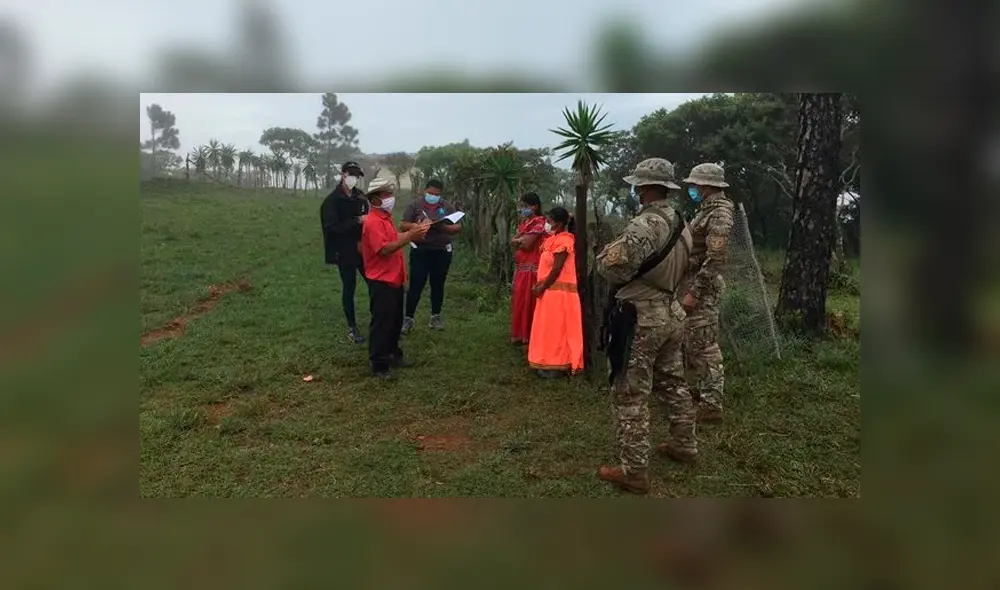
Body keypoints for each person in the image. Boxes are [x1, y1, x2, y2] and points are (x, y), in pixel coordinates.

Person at [595, 157, 696, 495]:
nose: (636, 190)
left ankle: (634, 470)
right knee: (672, 382)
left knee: (631, 391)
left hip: (641, 317)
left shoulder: (645, 224)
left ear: (646, 187)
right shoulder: (682, 224)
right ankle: (684, 443)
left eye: (638, 185)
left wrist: (604, 255)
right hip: (671, 312)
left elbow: (613, 268)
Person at [679, 163, 734, 423]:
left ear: (708, 185)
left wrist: (695, 292)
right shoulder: (706, 210)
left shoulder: (720, 213)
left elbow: (715, 259)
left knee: (705, 344)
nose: (694, 189)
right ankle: (704, 392)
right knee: (695, 341)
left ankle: (712, 404)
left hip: (703, 287)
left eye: (697, 185)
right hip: (694, 281)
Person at [361, 178, 430, 380]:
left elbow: (394, 239)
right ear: (375, 200)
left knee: (394, 320)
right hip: (381, 280)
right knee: (382, 322)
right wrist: (410, 237)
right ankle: (379, 364)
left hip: (394, 278)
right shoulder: (373, 222)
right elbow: (384, 249)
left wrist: (412, 232)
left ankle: (392, 354)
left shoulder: (385, 218)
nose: (391, 198)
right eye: (386, 195)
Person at [527, 207, 584, 378]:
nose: (546, 224)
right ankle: (545, 362)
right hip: (549, 293)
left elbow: (557, 268)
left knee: (557, 331)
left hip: (559, 294)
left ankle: (558, 365)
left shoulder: (565, 240)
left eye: (549, 221)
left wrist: (542, 286)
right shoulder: (553, 239)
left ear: (558, 223)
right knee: (547, 330)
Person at [400, 179, 462, 333]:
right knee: (416, 285)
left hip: (441, 251)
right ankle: (408, 319)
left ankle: (435, 317)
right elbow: (403, 224)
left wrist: (443, 227)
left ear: (440, 194)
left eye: (436, 194)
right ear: (425, 191)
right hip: (420, 250)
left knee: (438, 285)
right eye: (430, 193)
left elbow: (457, 226)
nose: (433, 196)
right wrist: (418, 226)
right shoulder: (415, 205)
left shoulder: (447, 206)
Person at [320, 161, 370, 344]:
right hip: (344, 251)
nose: (353, 178)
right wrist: (357, 220)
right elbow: (331, 227)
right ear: (342, 174)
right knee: (349, 288)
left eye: (357, 176)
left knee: (373, 282)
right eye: (351, 174)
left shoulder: (360, 197)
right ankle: (352, 327)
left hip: (362, 249)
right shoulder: (332, 201)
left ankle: (379, 319)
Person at [510, 193, 547, 345]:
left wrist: (519, 240)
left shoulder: (539, 223)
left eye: (526, 206)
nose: (523, 209)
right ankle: (519, 335)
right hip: (522, 268)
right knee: (519, 302)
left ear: (535, 206)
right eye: (522, 206)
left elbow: (526, 244)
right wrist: (519, 240)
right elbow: (514, 240)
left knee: (528, 302)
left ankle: (528, 336)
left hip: (532, 269)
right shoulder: (526, 222)